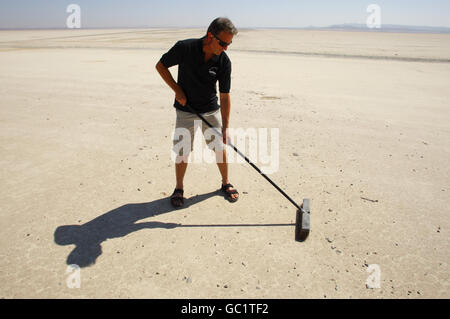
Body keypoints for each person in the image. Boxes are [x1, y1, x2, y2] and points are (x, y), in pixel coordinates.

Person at [156, 17, 239, 208]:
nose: (226, 48)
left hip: (210, 111)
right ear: (210, 35)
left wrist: (225, 128)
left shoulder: (224, 61)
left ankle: (225, 183)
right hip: (186, 111)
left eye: (229, 44)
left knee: (219, 148)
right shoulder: (185, 48)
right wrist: (177, 90)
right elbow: (160, 66)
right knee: (183, 151)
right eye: (223, 43)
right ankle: (179, 188)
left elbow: (225, 96)